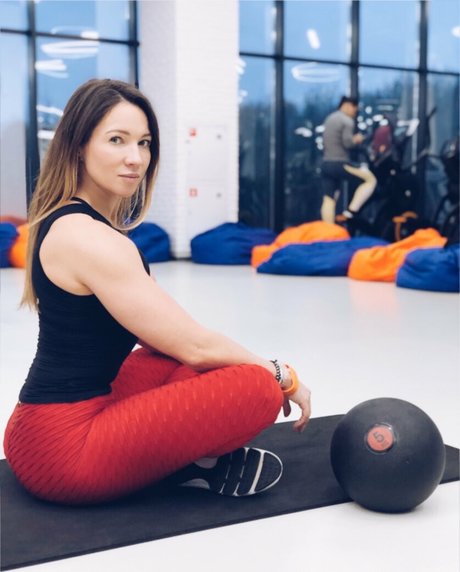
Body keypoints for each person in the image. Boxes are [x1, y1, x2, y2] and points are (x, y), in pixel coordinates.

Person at [3, 79, 311, 505]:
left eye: (144, 143)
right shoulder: (88, 237)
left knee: (170, 359)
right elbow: (197, 347)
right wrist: (282, 374)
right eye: (117, 140)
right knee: (257, 388)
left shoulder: (71, 220)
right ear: (78, 147)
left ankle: (178, 461)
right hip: (62, 453)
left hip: (40, 430)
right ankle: (188, 465)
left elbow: (170, 341)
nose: (136, 158)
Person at [320, 96, 377, 224]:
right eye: (354, 109)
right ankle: (350, 212)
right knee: (371, 180)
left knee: (329, 199)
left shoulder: (329, 119)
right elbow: (348, 143)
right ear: (347, 105)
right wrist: (357, 139)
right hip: (340, 163)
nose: (355, 113)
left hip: (326, 164)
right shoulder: (346, 121)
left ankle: (328, 229)